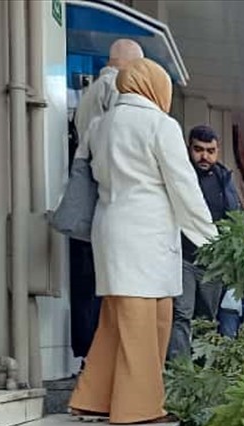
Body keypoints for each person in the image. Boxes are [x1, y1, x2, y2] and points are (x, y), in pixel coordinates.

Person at [68, 59, 217, 424]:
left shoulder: (99, 125)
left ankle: (93, 397)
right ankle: (138, 408)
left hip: (110, 227)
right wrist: (212, 239)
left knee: (117, 320)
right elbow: (183, 185)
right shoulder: (159, 125)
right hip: (144, 233)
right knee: (144, 326)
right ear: (154, 86)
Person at [69, 39, 144, 368]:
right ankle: (102, 361)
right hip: (109, 202)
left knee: (89, 283)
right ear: (129, 65)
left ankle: (90, 358)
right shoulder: (114, 91)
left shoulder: (89, 95)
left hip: (91, 204)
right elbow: (118, 153)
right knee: (110, 286)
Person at [166, 124, 242, 361]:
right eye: (198, 149)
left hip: (213, 263)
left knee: (206, 318)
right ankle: (181, 368)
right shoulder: (180, 175)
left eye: (210, 150)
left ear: (217, 151)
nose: (204, 156)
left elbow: (235, 217)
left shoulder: (223, 179)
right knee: (182, 313)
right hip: (183, 257)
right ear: (189, 148)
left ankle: (200, 369)